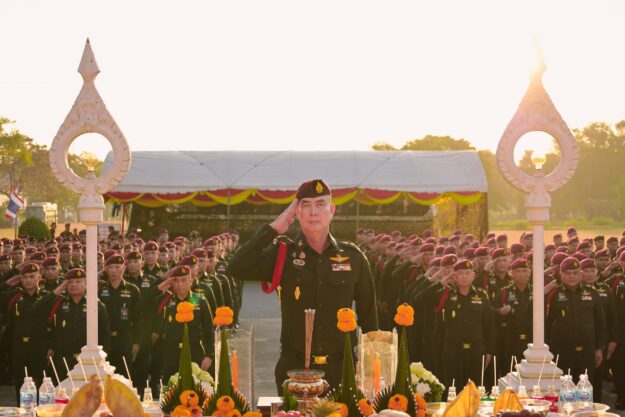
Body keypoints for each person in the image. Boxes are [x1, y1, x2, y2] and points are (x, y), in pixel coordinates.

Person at [229, 179, 378, 392]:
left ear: (331, 210)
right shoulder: (283, 255)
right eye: (306, 205)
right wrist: (274, 228)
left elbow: (370, 321)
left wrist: (370, 370)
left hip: (341, 371)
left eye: (320, 204)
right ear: (297, 212)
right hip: (294, 371)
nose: (313, 212)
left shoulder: (353, 258)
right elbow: (236, 267)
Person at [39, 268, 110, 380]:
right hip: (63, 358)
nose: (74, 285)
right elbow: (38, 308)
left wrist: (103, 357)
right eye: (70, 282)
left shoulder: (95, 304)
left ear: (86, 284)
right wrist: (57, 291)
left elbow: (104, 333)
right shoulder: (59, 303)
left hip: (88, 358)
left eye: (78, 281)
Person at [545, 257, 606, 384]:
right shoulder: (553, 294)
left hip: (587, 352)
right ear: (561, 274)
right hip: (562, 351)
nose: (572, 276)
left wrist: (599, 348)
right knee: (562, 388)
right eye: (568, 273)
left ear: (580, 274)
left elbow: (600, 322)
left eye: (575, 273)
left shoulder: (592, 293)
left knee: (585, 389)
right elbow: (547, 323)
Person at [149, 265, 214, 382]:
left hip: (194, 353)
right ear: (172, 282)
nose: (180, 284)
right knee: (170, 389)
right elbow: (145, 303)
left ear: (191, 281)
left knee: (194, 390)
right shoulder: (166, 300)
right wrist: (162, 286)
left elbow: (209, 331)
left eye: (184, 280)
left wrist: (209, 355)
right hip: (171, 355)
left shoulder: (199, 301)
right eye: (176, 281)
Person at [3, 263, 49, 404]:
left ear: (39, 277)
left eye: (32, 276)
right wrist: (7, 283)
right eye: (25, 277)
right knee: (20, 381)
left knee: (40, 381)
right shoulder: (14, 296)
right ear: (20, 279)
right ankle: (21, 410)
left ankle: (39, 411)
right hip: (19, 346)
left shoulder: (46, 297)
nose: (28, 280)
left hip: (39, 345)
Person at [98, 255, 141, 379]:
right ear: (106, 269)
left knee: (124, 376)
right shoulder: (100, 289)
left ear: (124, 268)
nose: (113, 271)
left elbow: (138, 318)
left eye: (117, 267)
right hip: (104, 339)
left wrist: (137, 342)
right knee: (104, 376)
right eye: (110, 267)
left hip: (125, 339)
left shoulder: (132, 290)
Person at [494, 258, 533, 371]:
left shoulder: (536, 291)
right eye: (518, 271)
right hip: (510, 341)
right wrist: (500, 311)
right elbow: (492, 312)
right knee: (510, 373)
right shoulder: (504, 292)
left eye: (524, 271)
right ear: (512, 273)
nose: (521, 274)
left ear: (530, 272)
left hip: (531, 341)